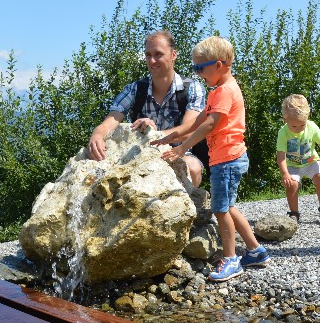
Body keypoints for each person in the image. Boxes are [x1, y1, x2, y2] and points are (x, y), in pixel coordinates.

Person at [152, 36, 269, 282]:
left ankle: (231, 259)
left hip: (227, 159)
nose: (197, 74)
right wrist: (168, 137)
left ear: (220, 64)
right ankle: (256, 251)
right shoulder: (217, 92)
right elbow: (195, 121)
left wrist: (182, 148)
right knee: (229, 206)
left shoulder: (226, 91)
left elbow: (208, 125)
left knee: (220, 209)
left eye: (200, 68)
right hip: (225, 158)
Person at [86, 30, 206, 187]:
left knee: (193, 167)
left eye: (158, 54)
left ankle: (188, 208)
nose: (152, 60)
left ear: (173, 55)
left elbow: (190, 131)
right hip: (141, 157)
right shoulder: (134, 89)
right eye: (148, 55)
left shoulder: (192, 88)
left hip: (179, 154)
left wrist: (153, 134)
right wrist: (97, 135)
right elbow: (110, 121)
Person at [276, 94, 320, 221]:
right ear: (285, 119)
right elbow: (281, 154)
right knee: (291, 185)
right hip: (292, 165)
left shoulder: (312, 126)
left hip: (311, 162)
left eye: (302, 125)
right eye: (294, 126)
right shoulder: (283, 132)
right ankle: (294, 212)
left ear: (307, 119)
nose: (298, 129)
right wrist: (285, 173)